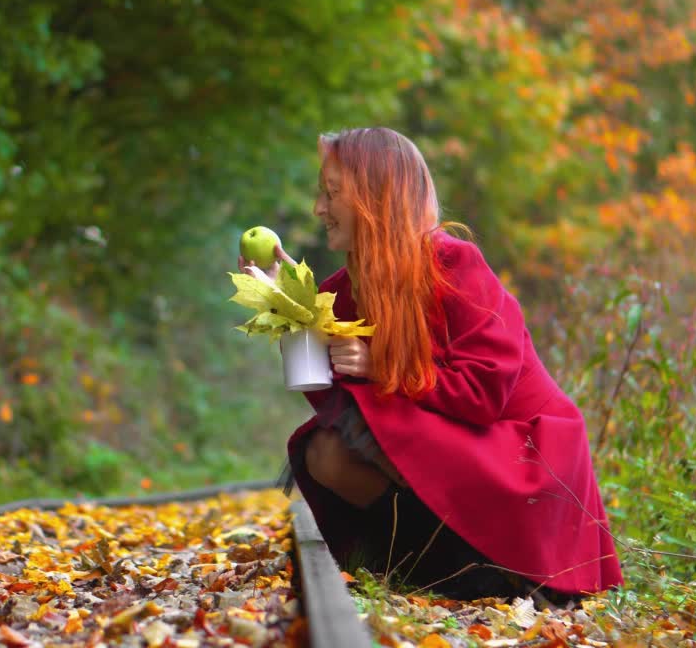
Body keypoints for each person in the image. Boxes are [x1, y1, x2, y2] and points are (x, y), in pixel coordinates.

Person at [239, 127, 623, 602]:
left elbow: (484, 395)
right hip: (459, 452)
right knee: (325, 452)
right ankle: (440, 568)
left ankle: (498, 570)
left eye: (333, 193)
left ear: (377, 198)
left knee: (374, 430)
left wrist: (380, 364)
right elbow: (332, 399)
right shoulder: (347, 287)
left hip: (526, 453)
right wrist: (287, 308)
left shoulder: (455, 265)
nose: (319, 207)